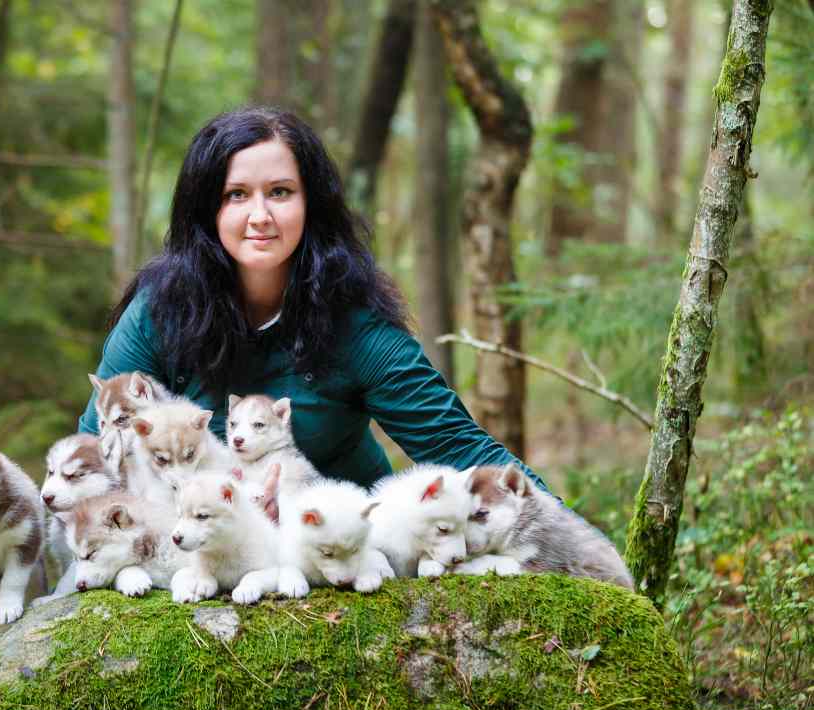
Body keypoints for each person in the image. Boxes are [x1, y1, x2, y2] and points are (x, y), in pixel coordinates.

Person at [78, 106, 545, 491]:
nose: (259, 215)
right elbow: (96, 450)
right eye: (236, 195)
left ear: (310, 205)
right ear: (207, 210)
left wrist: (585, 555)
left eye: (280, 192)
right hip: (195, 547)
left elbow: (461, 448)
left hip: (346, 557)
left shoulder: (357, 323)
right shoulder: (160, 310)